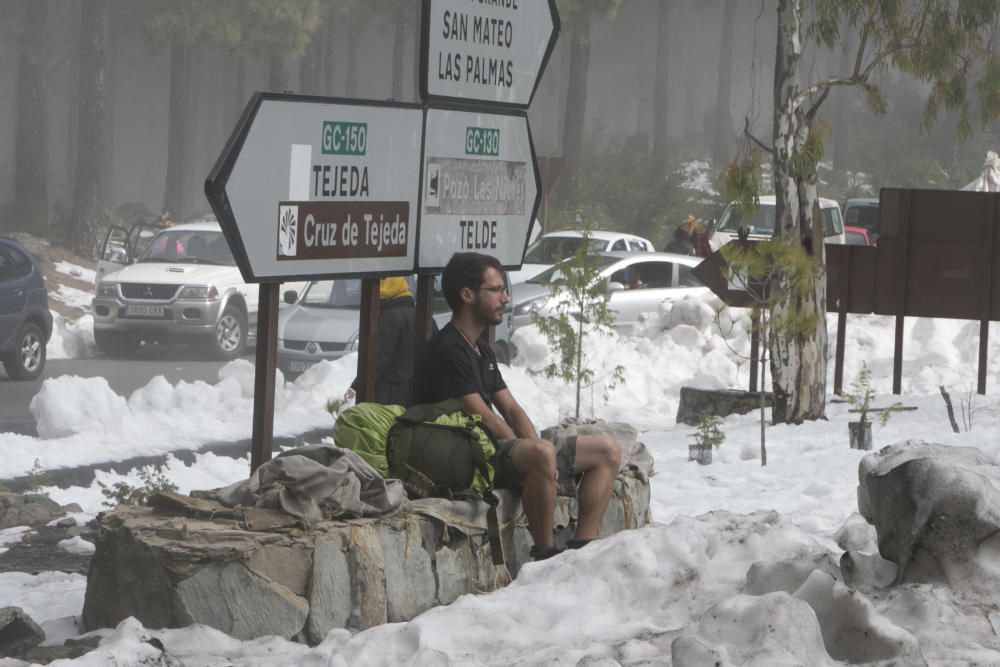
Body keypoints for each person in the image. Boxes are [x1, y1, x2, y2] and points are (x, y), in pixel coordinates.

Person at [414, 252, 622, 561]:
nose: (506, 297)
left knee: (606, 450)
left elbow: (510, 409)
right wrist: (537, 453)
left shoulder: (480, 349)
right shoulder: (447, 349)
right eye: (496, 289)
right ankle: (545, 552)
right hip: (464, 456)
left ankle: (583, 549)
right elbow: (482, 415)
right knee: (540, 454)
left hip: (487, 447)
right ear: (467, 295)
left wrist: (538, 446)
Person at [350, 277, 417, 407]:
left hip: (390, 395)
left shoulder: (389, 318)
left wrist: (356, 386)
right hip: (413, 394)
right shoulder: (421, 315)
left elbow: (378, 360)